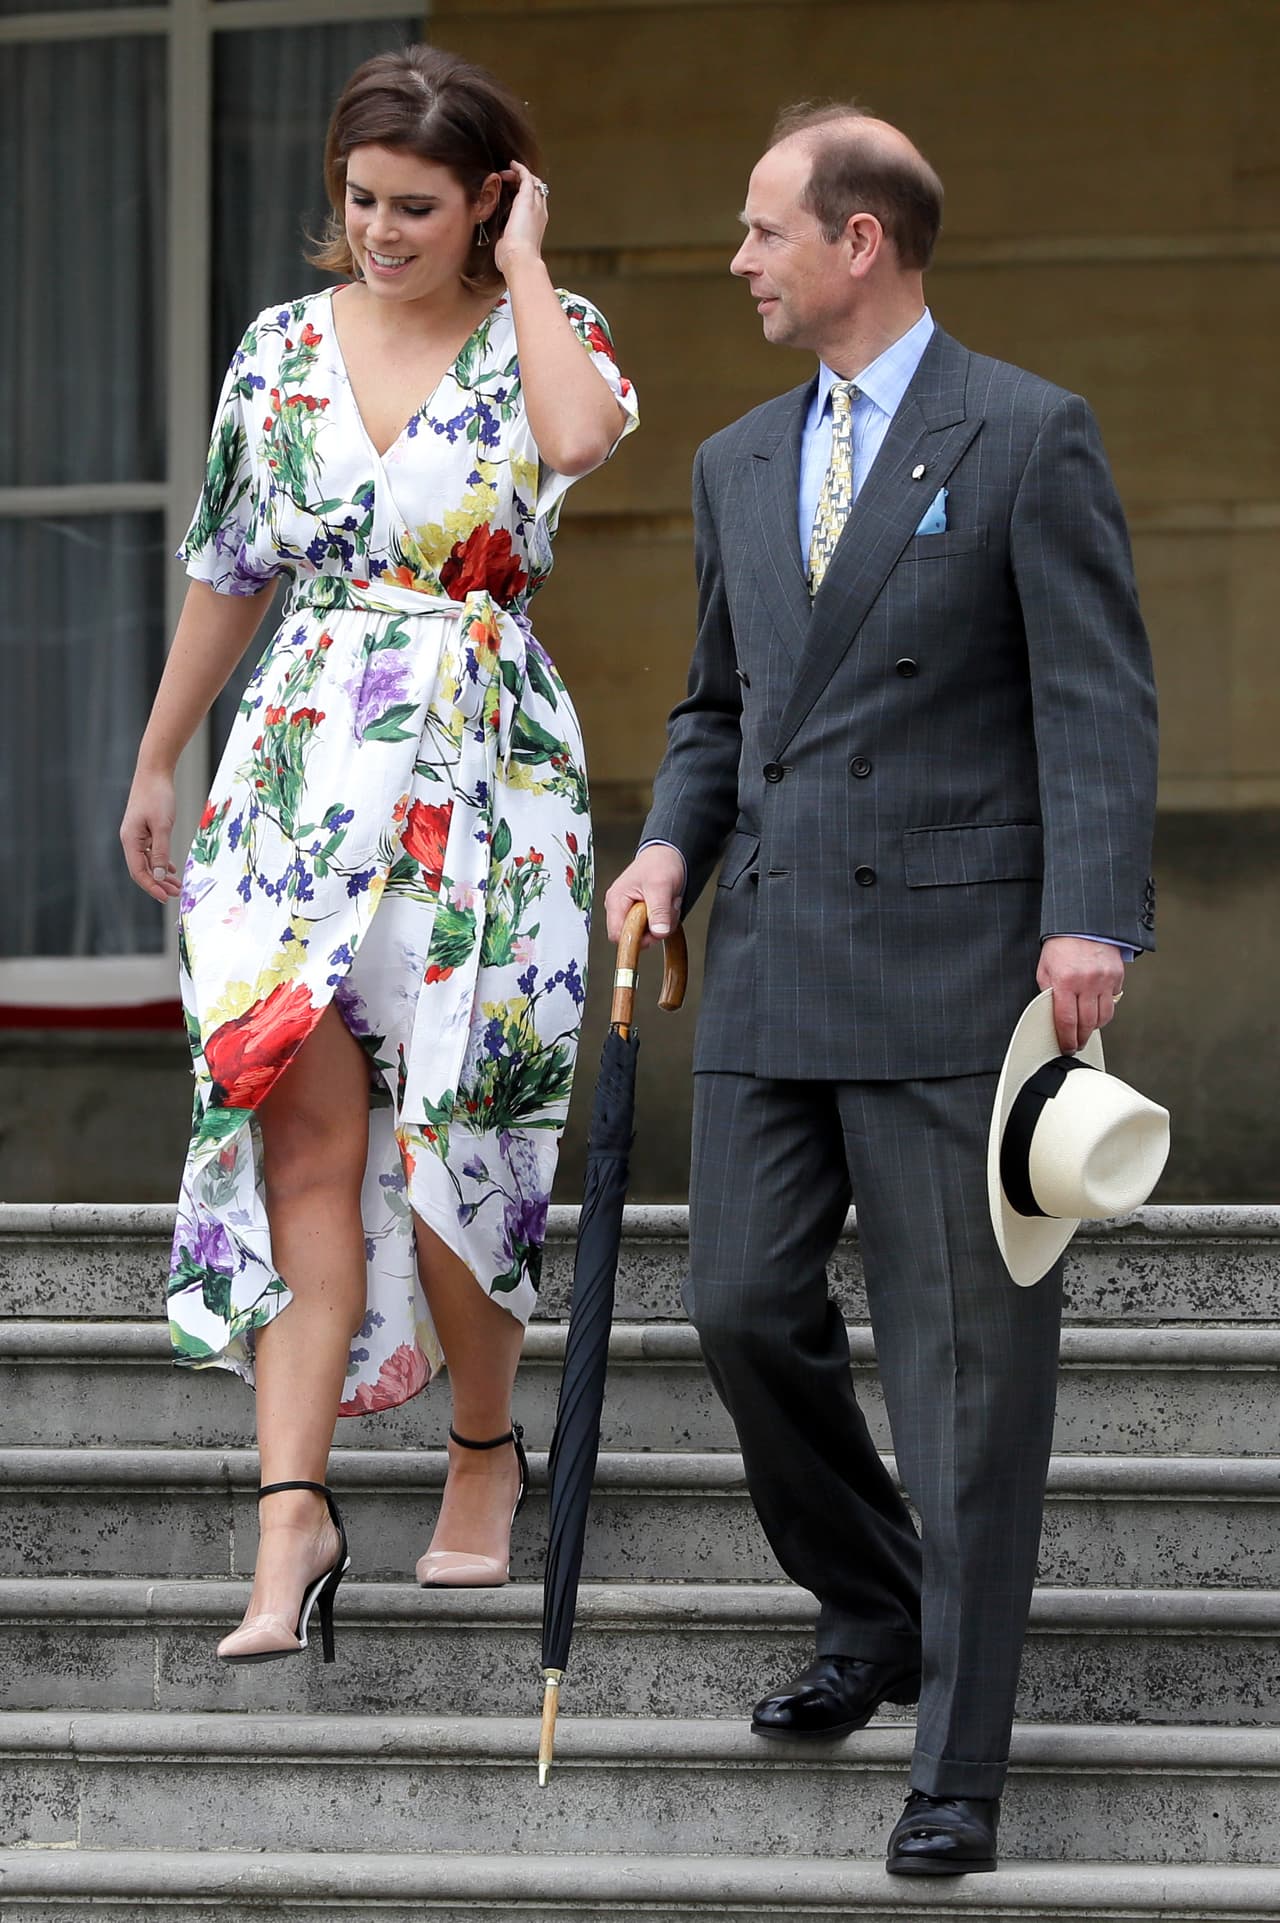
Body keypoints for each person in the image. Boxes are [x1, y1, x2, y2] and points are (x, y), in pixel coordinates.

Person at [606, 100, 1156, 1875]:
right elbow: (715, 708)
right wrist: (669, 848)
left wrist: (1094, 918)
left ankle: (959, 1764)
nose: (740, 259)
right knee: (744, 1309)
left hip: (956, 967)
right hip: (772, 956)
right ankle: (875, 1600)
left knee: (965, 1381)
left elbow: (1095, 696)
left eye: (766, 228)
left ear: (861, 243)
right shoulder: (736, 461)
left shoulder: (1026, 434)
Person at [121, 44, 636, 1663]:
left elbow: (574, 440)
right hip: (294, 768)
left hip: (485, 766)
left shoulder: (553, 331)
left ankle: (485, 1454)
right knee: (300, 1134)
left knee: (460, 1130)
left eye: (419, 207)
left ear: (489, 197)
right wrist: (158, 754)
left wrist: (534, 264)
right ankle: (294, 1516)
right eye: (360, 202)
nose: (381, 233)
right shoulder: (278, 348)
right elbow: (230, 562)